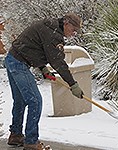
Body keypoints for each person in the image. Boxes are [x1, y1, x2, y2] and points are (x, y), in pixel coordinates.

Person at [4, 12, 84, 150]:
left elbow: (34, 48)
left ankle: (16, 135)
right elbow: (57, 61)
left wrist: (43, 69)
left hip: (13, 59)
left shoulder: (51, 27)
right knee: (35, 101)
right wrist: (73, 84)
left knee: (21, 100)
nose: (74, 34)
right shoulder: (53, 34)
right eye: (73, 30)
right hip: (19, 63)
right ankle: (31, 141)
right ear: (66, 23)